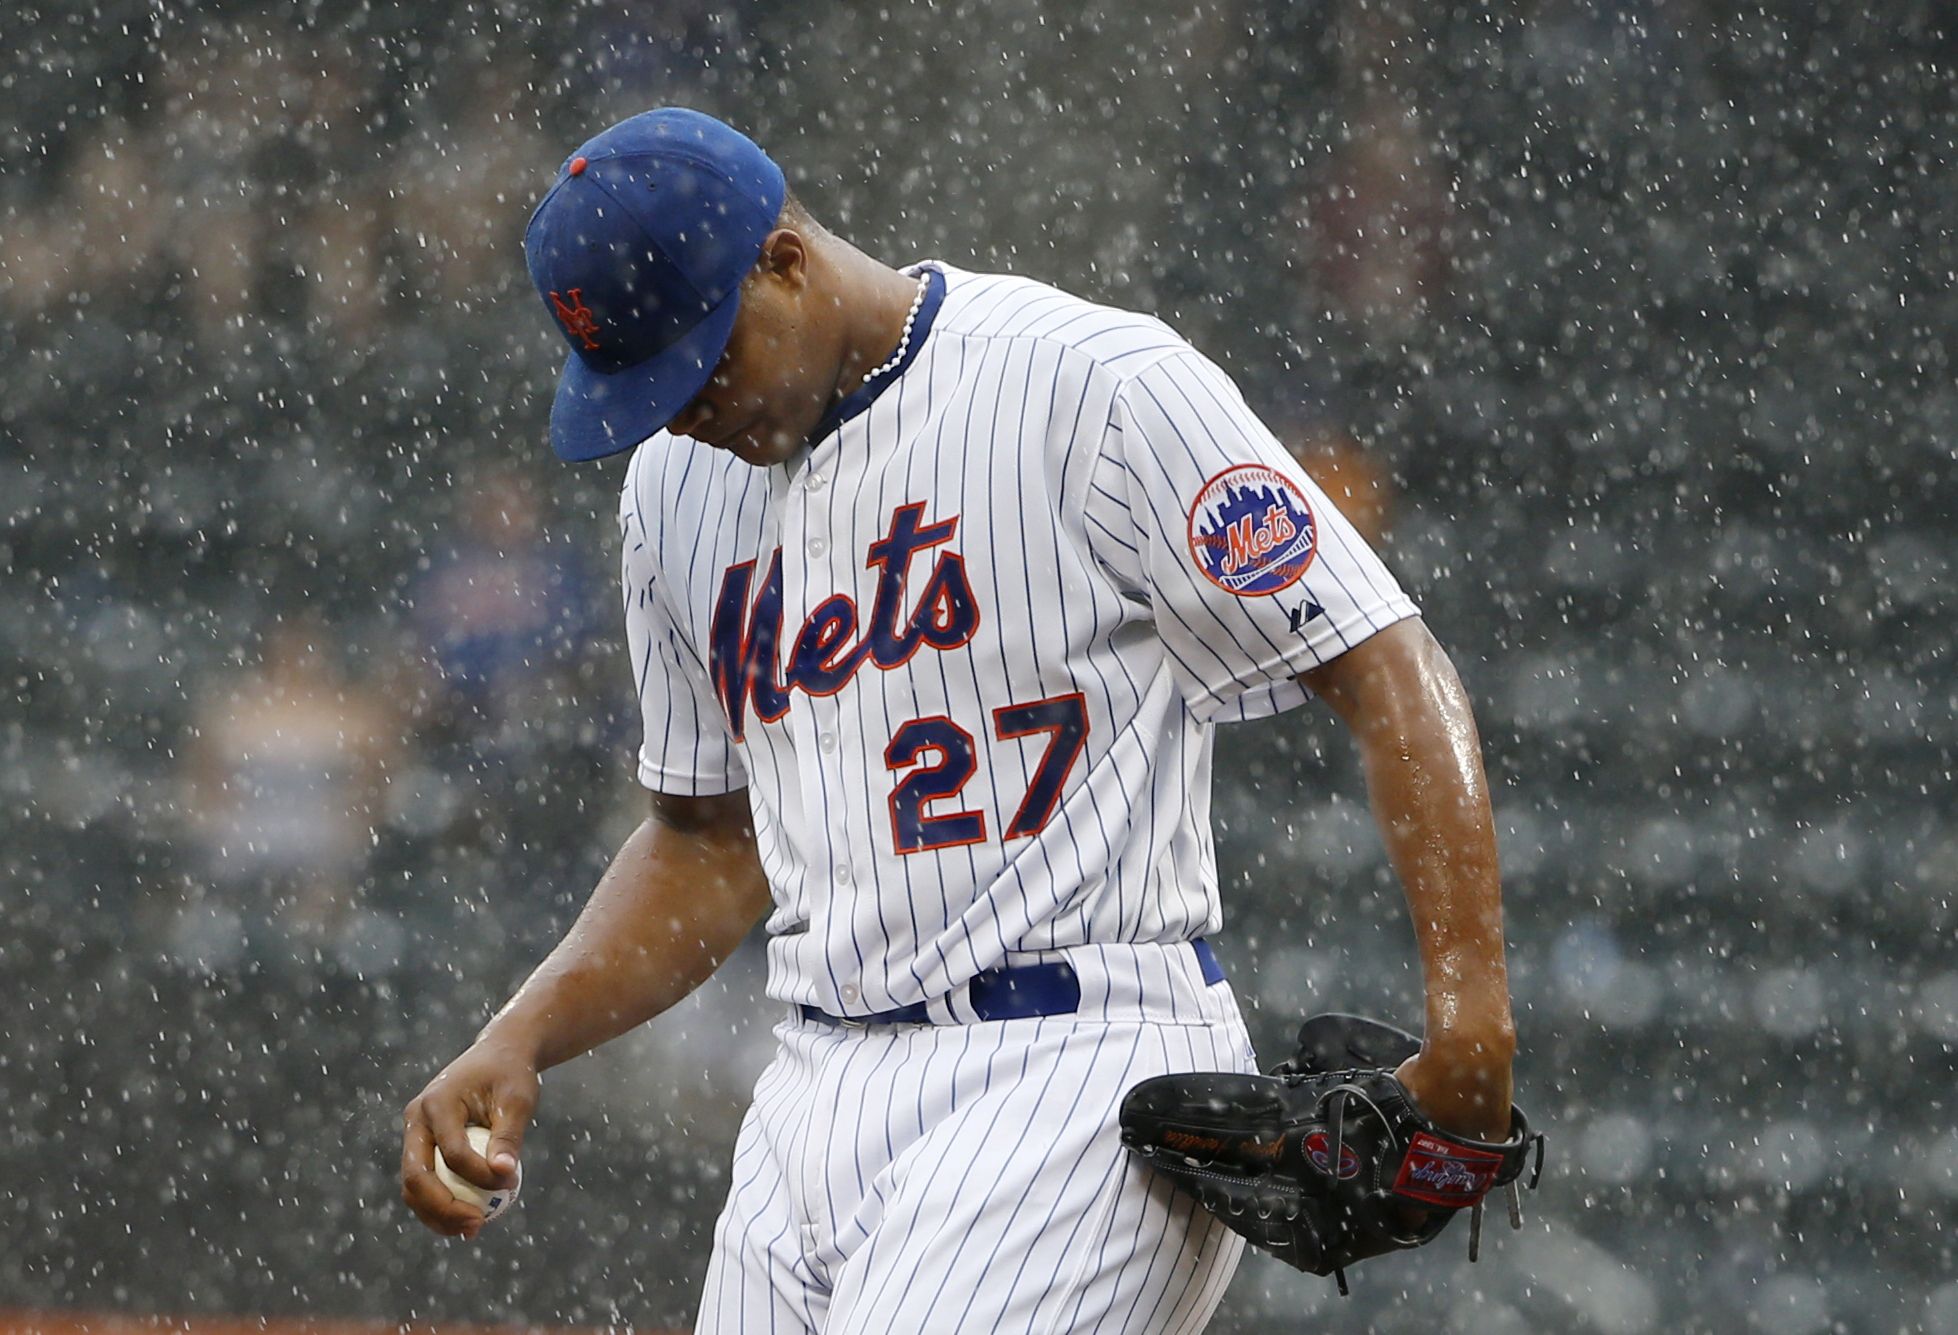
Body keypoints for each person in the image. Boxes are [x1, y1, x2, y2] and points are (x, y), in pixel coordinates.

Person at [399, 107, 1515, 1333]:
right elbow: (711, 841)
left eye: (701, 360)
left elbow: (1381, 663)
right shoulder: (672, 494)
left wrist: (1470, 1015)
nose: (685, 411)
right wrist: (521, 1035)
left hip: (1070, 1066)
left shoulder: (1090, 384)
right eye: (646, 387)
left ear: (784, 259)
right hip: (809, 1088)